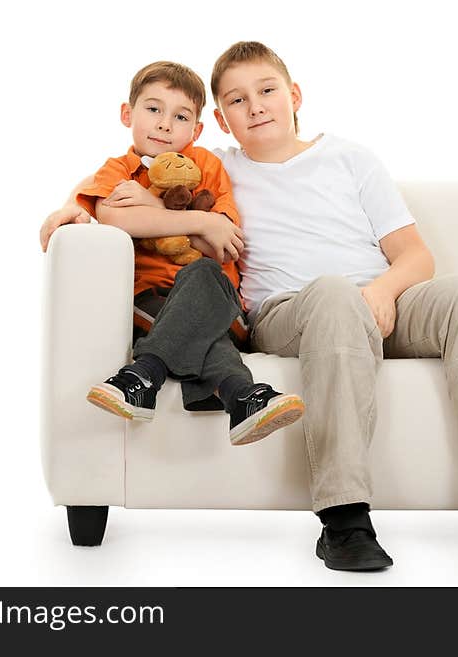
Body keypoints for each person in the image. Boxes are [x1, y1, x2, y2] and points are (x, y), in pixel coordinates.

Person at [42, 44, 458, 571]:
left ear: (294, 95)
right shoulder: (217, 167)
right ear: (218, 121)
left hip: (381, 299)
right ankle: (344, 517)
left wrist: (379, 293)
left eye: (267, 91)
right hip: (295, 311)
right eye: (237, 100)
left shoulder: (351, 158)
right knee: (332, 294)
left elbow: (415, 257)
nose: (256, 106)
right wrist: (68, 208)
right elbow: (120, 176)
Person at [68, 60, 305, 446]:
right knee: (194, 327)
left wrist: (155, 209)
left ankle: (143, 374)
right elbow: (114, 217)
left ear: (196, 129)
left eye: (180, 116)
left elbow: (222, 244)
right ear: (127, 114)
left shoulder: (206, 165)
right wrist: (201, 221)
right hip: (151, 300)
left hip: (219, 301)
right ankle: (241, 395)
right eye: (153, 109)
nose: (165, 124)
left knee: (204, 275)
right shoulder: (119, 169)